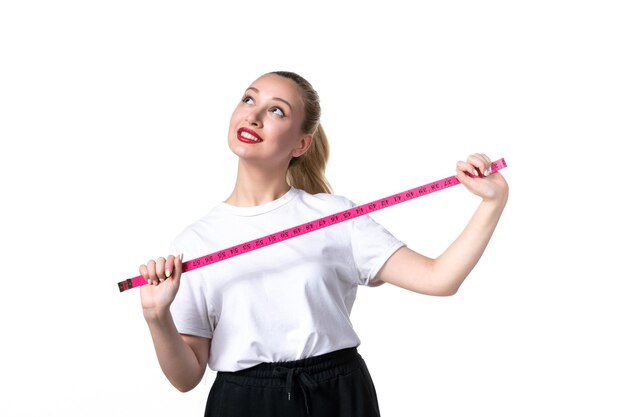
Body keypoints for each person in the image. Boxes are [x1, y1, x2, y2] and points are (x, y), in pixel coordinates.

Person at [138, 71, 509, 417]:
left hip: (338, 395)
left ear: (301, 143)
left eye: (276, 110)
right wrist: (157, 317)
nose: (254, 117)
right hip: (242, 402)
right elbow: (186, 378)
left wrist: (492, 203)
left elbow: (439, 278)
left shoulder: (335, 217)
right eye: (249, 100)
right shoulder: (195, 241)